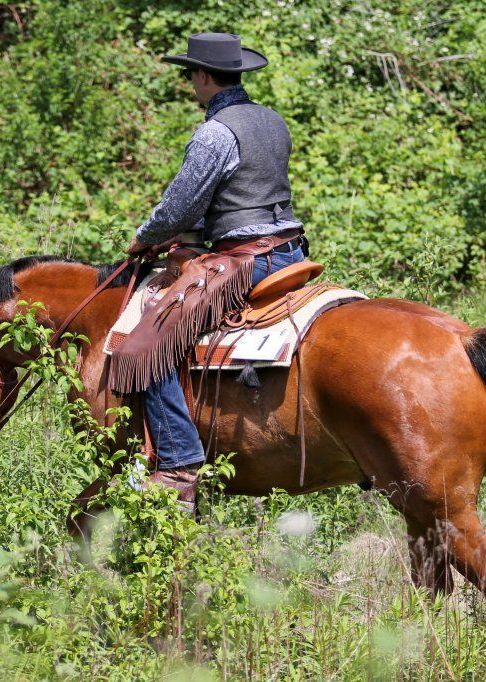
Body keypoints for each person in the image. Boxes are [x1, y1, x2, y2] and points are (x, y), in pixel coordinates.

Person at [125, 32, 307, 513]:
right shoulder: (273, 121)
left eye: (189, 75)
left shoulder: (214, 132)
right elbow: (237, 194)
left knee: (149, 340)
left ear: (203, 76)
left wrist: (145, 237)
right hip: (291, 251)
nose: (189, 84)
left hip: (246, 260)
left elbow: (179, 206)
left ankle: (179, 467)